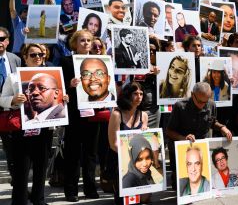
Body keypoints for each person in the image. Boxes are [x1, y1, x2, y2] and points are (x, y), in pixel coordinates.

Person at [0, 43, 56, 205]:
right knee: (21, 170)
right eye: (33, 55)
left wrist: (64, 99)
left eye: (40, 55)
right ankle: (20, 201)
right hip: (22, 129)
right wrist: (13, 100)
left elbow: (56, 100)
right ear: (24, 57)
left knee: (41, 168)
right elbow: (2, 99)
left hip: (44, 128)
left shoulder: (52, 76)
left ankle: (39, 199)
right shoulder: (14, 77)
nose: (38, 57)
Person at [166, 82, 232, 188]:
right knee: (179, 187)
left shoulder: (211, 104)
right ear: (192, 95)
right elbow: (169, 131)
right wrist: (183, 138)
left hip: (201, 148)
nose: (203, 105)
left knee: (201, 183)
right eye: (200, 102)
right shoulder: (180, 106)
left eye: (206, 101)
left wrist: (222, 127)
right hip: (182, 149)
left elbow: (212, 122)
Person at [62, 30, 100, 202]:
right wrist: (69, 85)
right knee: (73, 153)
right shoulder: (66, 61)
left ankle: (90, 188)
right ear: (75, 44)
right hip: (74, 113)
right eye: (82, 41)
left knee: (91, 154)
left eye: (88, 40)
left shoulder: (99, 61)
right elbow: (58, 87)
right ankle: (71, 191)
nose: (85, 43)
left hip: (93, 113)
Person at [107, 82, 149, 204]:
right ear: (127, 95)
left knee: (144, 198)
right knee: (124, 201)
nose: (139, 96)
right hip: (118, 160)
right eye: (135, 94)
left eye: (141, 94)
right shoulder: (117, 114)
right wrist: (130, 158)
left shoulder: (144, 116)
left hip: (138, 161)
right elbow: (113, 144)